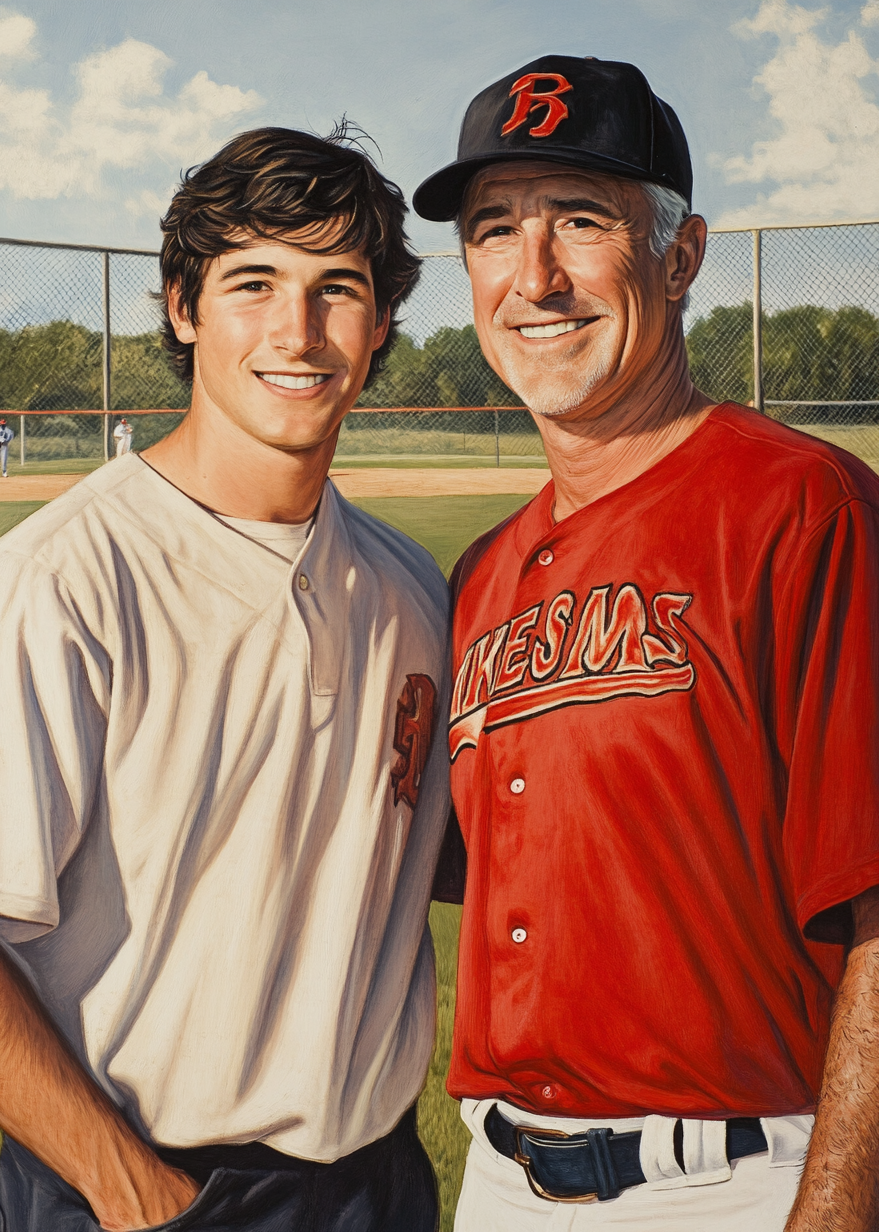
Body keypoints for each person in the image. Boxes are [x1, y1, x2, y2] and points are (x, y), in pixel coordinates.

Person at [0, 126, 450, 1232]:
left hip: (377, 1178)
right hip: (130, 1179)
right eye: (254, 282)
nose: (297, 330)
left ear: (379, 327)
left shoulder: (413, 591)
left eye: (339, 288)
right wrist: (136, 1193)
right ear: (183, 306)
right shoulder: (51, 586)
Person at [414, 55, 879, 1231]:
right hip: (498, 1179)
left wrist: (833, 1209)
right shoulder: (481, 574)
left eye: (580, 220)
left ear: (678, 257)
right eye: (493, 230)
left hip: (734, 1182)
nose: (535, 276)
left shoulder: (801, 507)